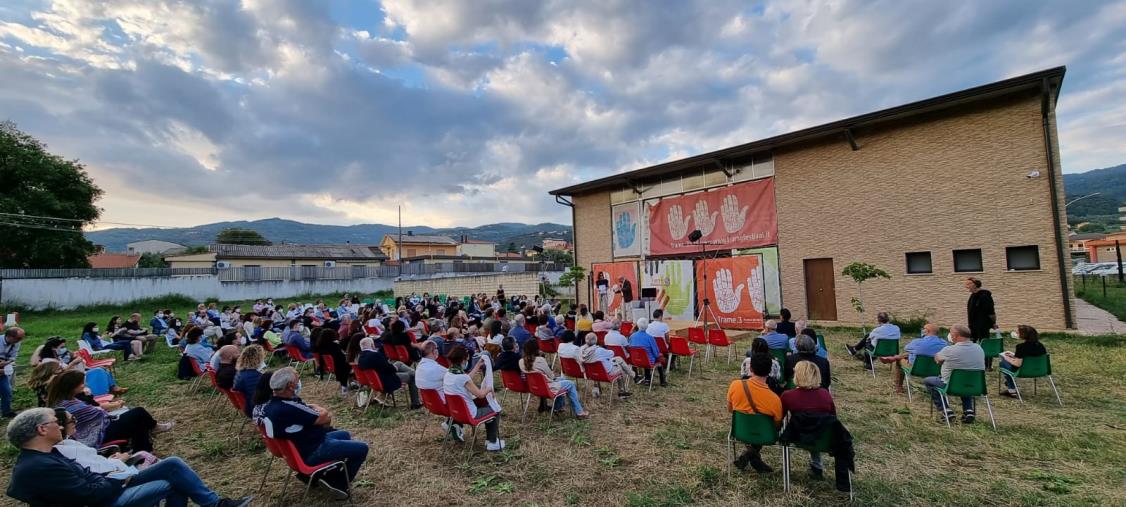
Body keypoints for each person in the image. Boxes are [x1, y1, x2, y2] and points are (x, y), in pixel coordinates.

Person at [5, 407, 251, 506]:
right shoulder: (40, 466)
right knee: (173, 481)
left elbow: (88, 478)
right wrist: (116, 475)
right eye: (54, 422)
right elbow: (91, 494)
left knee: (173, 465)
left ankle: (216, 503)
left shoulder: (46, 454)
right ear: (41, 430)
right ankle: (216, 504)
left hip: (107, 486)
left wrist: (112, 471)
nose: (60, 426)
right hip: (103, 501)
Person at [260, 367, 368, 499]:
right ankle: (337, 483)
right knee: (362, 448)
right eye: (298, 378)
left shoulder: (270, 406)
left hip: (300, 448)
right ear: (290, 386)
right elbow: (323, 417)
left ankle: (316, 475)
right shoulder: (289, 407)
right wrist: (318, 407)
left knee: (344, 434)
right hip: (313, 450)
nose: (300, 381)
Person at [47, 370, 172, 452]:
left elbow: (94, 412)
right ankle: (152, 430)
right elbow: (97, 414)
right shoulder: (69, 404)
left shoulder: (64, 400)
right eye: (82, 384)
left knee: (136, 421)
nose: (84, 386)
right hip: (94, 435)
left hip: (96, 429)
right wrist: (113, 408)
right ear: (72, 386)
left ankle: (143, 451)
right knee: (138, 412)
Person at [780, 362, 853, 492]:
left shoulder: (787, 396)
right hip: (822, 438)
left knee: (811, 425)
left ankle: (816, 466)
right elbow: (833, 417)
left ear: (797, 375)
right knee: (821, 425)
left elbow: (780, 417)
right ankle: (842, 483)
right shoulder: (825, 394)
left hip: (798, 436)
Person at [727, 354, 783, 473]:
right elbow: (777, 425)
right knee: (762, 428)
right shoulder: (775, 399)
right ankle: (752, 456)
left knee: (755, 427)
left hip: (740, 430)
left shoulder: (735, 385)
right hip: (765, 434)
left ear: (751, 369)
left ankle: (749, 455)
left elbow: (730, 409)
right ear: (769, 372)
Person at [444, 345, 506, 450]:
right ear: (463, 360)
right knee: (496, 408)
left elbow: (466, 379)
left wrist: (477, 365)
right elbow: (481, 394)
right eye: (467, 359)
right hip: (470, 414)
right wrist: (489, 388)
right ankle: (492, 441)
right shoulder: (462, 377)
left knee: (485, 404)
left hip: (456, 413)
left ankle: (490, 439)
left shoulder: (449, 373)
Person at [925, 324, 985, 424]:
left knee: (928, 381)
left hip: (951, 385)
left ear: (955, 335)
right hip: (975, 386)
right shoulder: (979, 348)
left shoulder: (949, 350)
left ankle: (945, 410)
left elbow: (938, 359)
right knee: (966, 379)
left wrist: (938, 357)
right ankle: (968, 410)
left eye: (951, 332)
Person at [520, 340, 588, 417]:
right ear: (537, 349)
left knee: (562, 380)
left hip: (534, 387)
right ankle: (579, 411)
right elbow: (551, 377)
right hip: (547, 387)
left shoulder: (521, 362)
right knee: (571, 384)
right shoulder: (540, 360)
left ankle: (558, 407)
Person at [415, 340, 464, 441]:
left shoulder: (419, 367)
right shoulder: (436, 368)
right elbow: (457, 377)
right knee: (463, 393)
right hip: (444, 406)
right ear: (433, 351)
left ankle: (451, 423)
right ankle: (455, 424)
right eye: (437, 349)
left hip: (429, 404)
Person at [883, 323, 947, 394]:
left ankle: (899, 387)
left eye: (923, 329)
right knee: (913, 353)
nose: (922, 330)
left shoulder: (917, 342)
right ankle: (894, 358)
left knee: (900, 360)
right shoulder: (944, 344)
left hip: (916, 369)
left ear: (927, 331)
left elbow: (906, 348)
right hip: (936, 371)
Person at [357, 338, 421, 408]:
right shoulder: (375, 355)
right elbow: (388, 368)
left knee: (398, 363)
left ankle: (417, 374)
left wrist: (392, 367)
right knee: (411, 376)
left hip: (376, 380)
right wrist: (394, 368)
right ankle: (415, 403)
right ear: (372, 345)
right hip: (386, 380)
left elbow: (383, 366)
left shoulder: (360, 358)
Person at [998, 325, 1048, 398]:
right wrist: (1014, 355)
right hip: (1040, 370)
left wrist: (1007, 358)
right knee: (1009, 362)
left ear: (1023, 335)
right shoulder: (1041, 345)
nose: (1016, 333)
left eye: (1017, 332)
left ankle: (1011, 390)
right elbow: (1029, 356)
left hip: (1023, 372)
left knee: (1003, 363)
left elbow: (1017, 364)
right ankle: (1009, 385)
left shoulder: (1021, 347)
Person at [580, 333, 633, 399]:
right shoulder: (599, 350)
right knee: (620, 370)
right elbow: (612, 353)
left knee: (617, 359)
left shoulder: (581, 350)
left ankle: (596, 390)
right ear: (596, 340)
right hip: (605, 374)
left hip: (591, 374)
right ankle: (622, 392)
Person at [965, 277, 998, 368]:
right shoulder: (972, 296)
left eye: (968, 284)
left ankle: (987, 365)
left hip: (983, 325)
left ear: (975, 284)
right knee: (971, 344)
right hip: (973, 325)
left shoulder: (984, 296)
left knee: (984, 344)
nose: (966, 286)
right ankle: (972, 363)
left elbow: (991, 312)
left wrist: (993, 323)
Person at [628, 318, 667, 386]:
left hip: (635, 361)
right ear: (647, 326)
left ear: (638, 325)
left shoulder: (632, 336)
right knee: (657, 361)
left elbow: (629, 348)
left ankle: (645, 379)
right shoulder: (650, 338)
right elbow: (656, 353)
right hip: (648, 362)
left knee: (646, 356)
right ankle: (662, 381)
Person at [315, 329, 353, 395]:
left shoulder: (320, 346)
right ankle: (350, 382)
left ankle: (350, 382)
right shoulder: (334, 346)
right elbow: (341, 356)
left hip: (328, 366)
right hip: (339, 366)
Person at [0, 327, 25, 417]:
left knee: (7, 391)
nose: (20, 341)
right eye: (18, 338)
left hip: (3, 370)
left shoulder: (16, 343)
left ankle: (6, 411)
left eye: (21, 338)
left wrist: (7, 364)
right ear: (9, 336)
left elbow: (13, 357)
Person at [233, 345, 265, 417]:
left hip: (249, 407)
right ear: (257, 359)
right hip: (258, 410)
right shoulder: (254, 376)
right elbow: (258, 396)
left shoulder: (241, 372)